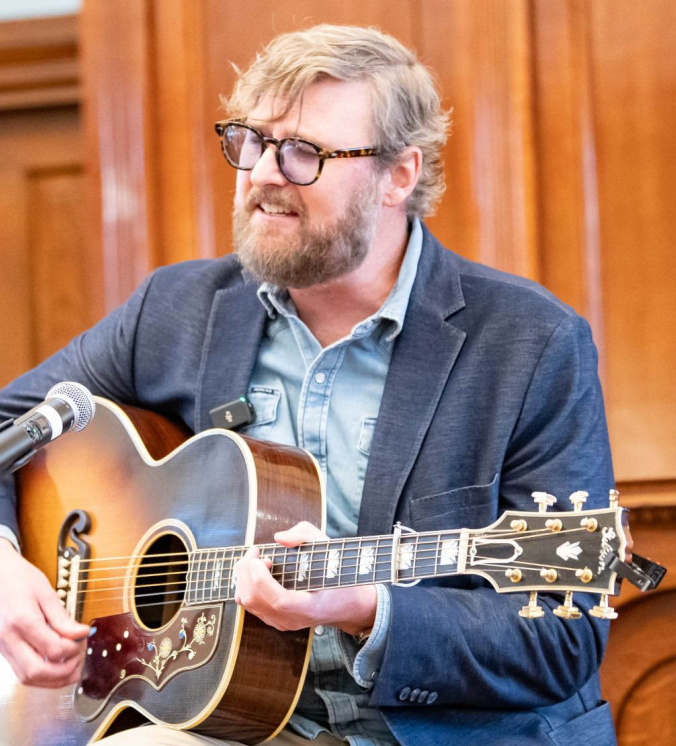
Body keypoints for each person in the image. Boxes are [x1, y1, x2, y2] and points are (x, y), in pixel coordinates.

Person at [0, 24, 617, 746]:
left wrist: (363, 606)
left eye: (303, 152)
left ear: (398, 175)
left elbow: (562, 634)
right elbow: (11, 426)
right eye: (250, 141)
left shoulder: (529, 342)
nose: (263, 173)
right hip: (242, 724)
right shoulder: (177, 310)